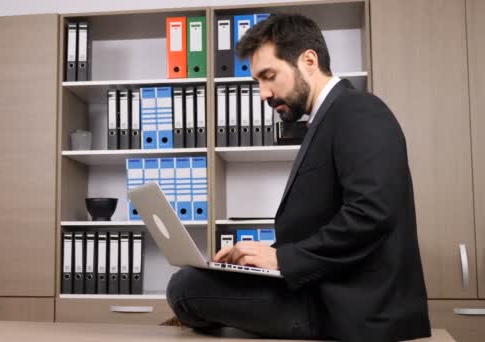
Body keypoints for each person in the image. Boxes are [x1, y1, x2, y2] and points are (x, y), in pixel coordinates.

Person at [166, 13, 431, 342]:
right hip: (319, 290)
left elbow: (372, 213)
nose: (263, 93)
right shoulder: (327, 119)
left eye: (269, 76)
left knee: (186, 287)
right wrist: (262, 256)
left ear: (308, 61)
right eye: (258, 82)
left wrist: (281, 258)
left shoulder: (359, 109)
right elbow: (325, 223)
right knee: (192, 280)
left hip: (349, 307)